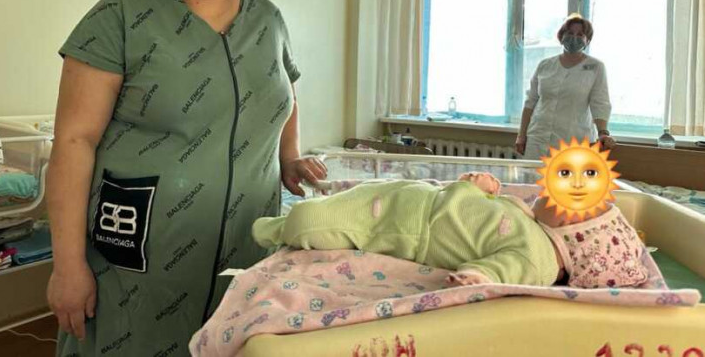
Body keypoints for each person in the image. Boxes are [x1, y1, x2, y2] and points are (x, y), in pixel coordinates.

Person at [46, 0, 327, 356]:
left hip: (247, 244)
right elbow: (74, 141)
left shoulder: (268, 19)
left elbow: (285, 92)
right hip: (139, 250)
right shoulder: (121, 16)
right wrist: (67, 266)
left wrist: (289, 156)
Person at [253, 172, 649, 290]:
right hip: (418, 196)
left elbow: (503, 271)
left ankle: (276, 228)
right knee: (358, 196)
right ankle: (286, 222)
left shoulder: (539, 262)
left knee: (312, 222)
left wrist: (477, 277)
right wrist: (478, 188)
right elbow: (481, 214)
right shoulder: (528, 219)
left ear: (573, 229)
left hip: (402, 227)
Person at [515, 14, 615, 160]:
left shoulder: (596, 67)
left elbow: (600, 103)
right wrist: (521, 135)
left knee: (567, 175)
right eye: (570, 33)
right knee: (532, 174)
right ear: (561, 36)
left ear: (587, 40)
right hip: (538, 137)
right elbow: (530, 102)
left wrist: (603, 133)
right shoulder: (545, 65)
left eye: (580, 34)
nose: (574, 37)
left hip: (574, 140)